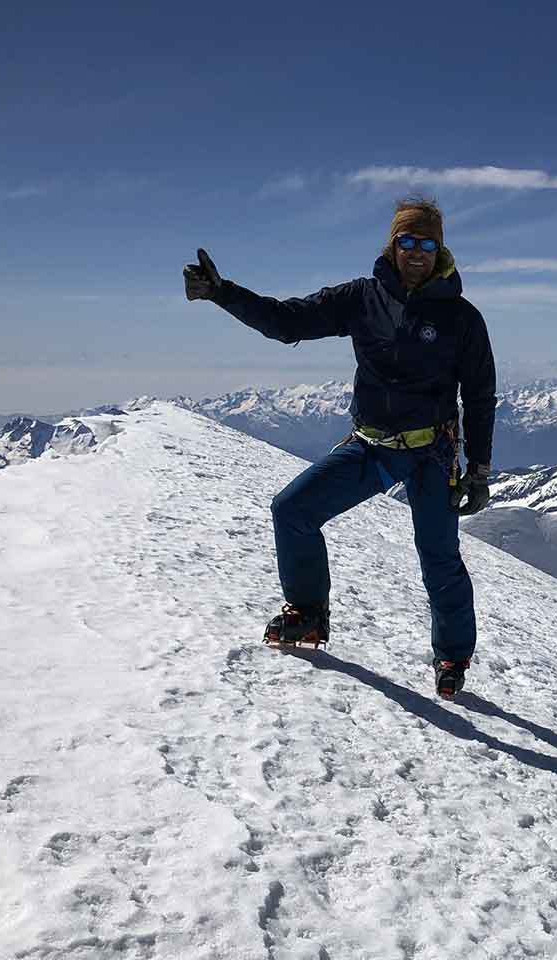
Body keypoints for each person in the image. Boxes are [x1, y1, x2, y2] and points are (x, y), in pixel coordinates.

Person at [184, 198, 496, 700]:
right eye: (407, 242)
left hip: (431, 454)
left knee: (438, 557)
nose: (416, 252)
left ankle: (452, 655)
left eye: (427, 243)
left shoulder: (462, 319)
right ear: (393, 246)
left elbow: (479, 396)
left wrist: (478, 471)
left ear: (440, 250)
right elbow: (287, 323)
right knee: (292, 510)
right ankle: (308, 612)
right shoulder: (361, 298)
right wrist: (223, 294)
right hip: (372, 445)